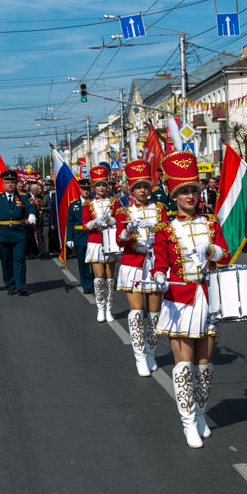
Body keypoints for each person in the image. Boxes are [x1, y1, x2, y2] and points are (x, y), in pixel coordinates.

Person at [150, 150, 230, 448]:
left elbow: (225, 255)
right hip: (179, 299)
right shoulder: (165, 229)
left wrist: (211, 251)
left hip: (207, 297)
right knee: (183, 364)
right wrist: (159, 277)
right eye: (184, 191)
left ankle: (200, 414)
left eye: (194, 191)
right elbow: (159, 263)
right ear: (175, 195)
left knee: (205, 364)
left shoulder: (211, 223)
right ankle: (187, 423)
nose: (190, 196)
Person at [113, 160, 167, 377]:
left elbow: (166, 237)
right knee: (136, 313)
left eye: (145, 186)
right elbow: (119, 241)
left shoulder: (160, 208)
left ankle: (151, 352)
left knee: (154, 313)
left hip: (155, 264)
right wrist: (128, 230)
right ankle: (139, 357)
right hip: (133, 264)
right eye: (138, 187)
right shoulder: (124, 210)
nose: (143, 191)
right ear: (131, 190)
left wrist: (154, 228)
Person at [0, 169, 33, 296]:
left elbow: (31, 207)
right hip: (3, 233)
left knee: (19, 259)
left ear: (15, 183)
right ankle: (10, 285)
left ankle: (21, 285)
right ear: (3, 184)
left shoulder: (22, 197)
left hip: (19, 233)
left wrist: (32, 214)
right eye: (7, 182)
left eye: (12, 182)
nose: (10, 185)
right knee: (6, 260)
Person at [83, 165, 119, 321]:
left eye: (104, 184)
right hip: (96, 242)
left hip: (111, 240)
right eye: (98, 185)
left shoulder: (115, 202)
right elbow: (85, 225)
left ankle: (109, 309)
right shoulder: (88, 204)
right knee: (99, 277)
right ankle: (100, 309)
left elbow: (120, 220)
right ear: (94, 187)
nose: (102, 187)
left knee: (110, 277)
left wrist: (110, 220)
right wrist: (96, 222)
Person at [65, 181, 94, 295]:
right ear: (80, 190)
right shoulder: (74, 204)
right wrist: (69, 238)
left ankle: (94, 281)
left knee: (95, 262)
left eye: (88, 189)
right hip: (80, 236)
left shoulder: (94, 202)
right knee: (83, 262)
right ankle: (86, 285)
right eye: (84, 189)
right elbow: (70, 222)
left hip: (93, 236)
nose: (86, 191)